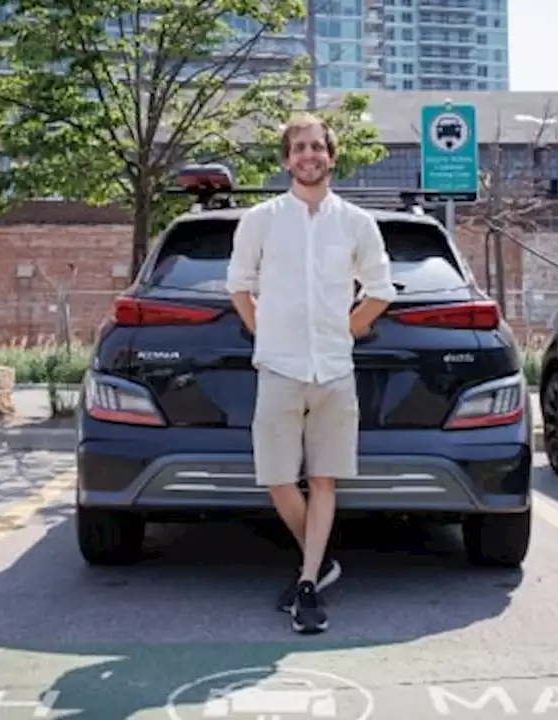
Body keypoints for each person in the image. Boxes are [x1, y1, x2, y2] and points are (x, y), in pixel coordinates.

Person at [226, 113, 397, 634]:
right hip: (278, 367)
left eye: (317, 147)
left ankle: (306, 583)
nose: (308, 155)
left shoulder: (356, 223)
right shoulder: (261, 219)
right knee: (279, 479)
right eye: (299, 147)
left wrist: (344, 332)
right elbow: (239, 286)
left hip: (334, 373)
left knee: (323, 479)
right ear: (286, 159)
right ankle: (322, 563)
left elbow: (382, 289)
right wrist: (265, 335)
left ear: (331, 155)